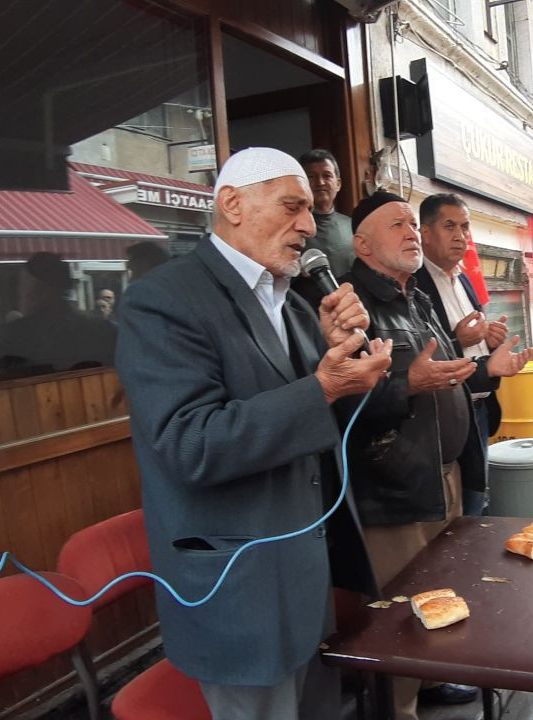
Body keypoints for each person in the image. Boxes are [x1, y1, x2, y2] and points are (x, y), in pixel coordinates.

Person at [114, 147, 393, 720]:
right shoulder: (165, 300)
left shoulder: (293, 306)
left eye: (311, 213)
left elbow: (318, 429)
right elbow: (190, 444)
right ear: (232, 204)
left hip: (309, 581)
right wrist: (324, 387)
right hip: (240, 592)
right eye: (292, 206)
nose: (309, 226)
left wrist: (343, 363)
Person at [336, 191, 530, 720]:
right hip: (393, 488)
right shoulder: (352, 305)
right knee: (398, 622)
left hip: (441, 475)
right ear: (362, 243)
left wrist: (489, 369)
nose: (411, 232)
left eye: (411, 223)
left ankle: (428, 690)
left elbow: (446, 378)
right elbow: (339, 400)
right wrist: (406, 384)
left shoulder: (416, 298)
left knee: (437, 602)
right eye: (397, 224)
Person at [413, 193, 509, 517]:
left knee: (477, 500)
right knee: (458, 511)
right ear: (424, 232)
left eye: (465, 227)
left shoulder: (463, 278)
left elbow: (476, 339)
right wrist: (458, 339)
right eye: (449, 226)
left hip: (480, 407)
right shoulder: (414, 284)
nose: (460, 236)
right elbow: (421, 357)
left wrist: (491, 341)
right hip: (446, 415)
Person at [0, 252, 117, 380]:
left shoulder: (13, 337)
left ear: (40, 290)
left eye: (23, 287)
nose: (21, 296)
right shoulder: (102, 329)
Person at [299, 149, 355, 279]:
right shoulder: (294, 226)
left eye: (327, 176)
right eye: (312, 177)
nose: (320, 183)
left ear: (338, 184)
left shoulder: (353, 226)